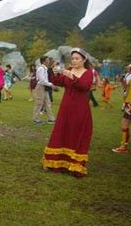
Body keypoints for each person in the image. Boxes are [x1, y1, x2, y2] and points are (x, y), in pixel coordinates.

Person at [42, 48, 93, 178]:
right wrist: (54, 74)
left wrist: (73, 77)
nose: (74, 61)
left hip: (80, 108)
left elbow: (85, 87)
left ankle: (75, 165)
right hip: (66, 107)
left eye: (77, 58)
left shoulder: (88, 72)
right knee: (62, 131)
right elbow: (58, 82)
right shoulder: (69, 70)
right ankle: (57, 162)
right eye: (73, 58)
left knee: (75, 134)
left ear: (84, 60)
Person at [33, 56, 56, 124]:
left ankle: (51, 119)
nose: (49, 61)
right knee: (39, 103)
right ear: (43, 61)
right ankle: (36, 119)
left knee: (47, 103)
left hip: (45, 87)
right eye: (47, 60)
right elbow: (42, 80)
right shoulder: (41, 69)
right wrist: (51, 85)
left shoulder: (45, 69)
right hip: (40, 87)